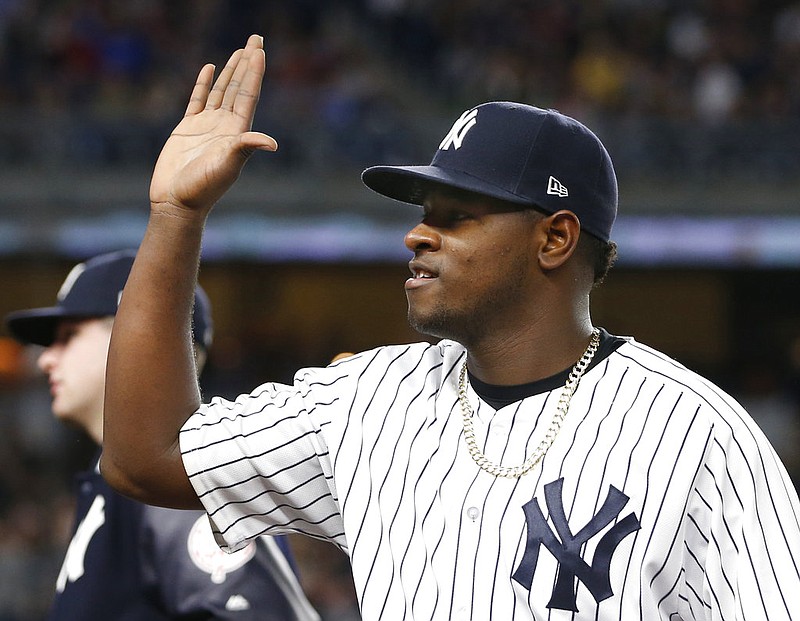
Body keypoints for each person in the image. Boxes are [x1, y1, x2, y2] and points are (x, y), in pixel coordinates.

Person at [100, 34, 800, 620]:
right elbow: (143, 456)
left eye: (454, 216)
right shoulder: (363, 399)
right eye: (422, 210)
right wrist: (175, 218)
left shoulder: (695, 434)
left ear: (554, 238)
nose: (416, 235)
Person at [5, 249, 320, 621]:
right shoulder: (120, 481)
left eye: (69, 335)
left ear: (139, 339)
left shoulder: (183, 477)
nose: (45, 359)